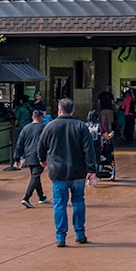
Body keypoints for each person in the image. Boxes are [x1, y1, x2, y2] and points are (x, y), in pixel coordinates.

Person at [38, 98, 97, 247]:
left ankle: (60, 237)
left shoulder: (50, 127)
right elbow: (89, 150)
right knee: (78, 201)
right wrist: (91, 170)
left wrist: (43, 159)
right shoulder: (81, 127)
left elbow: (41, 146)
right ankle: (80, 233)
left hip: (58, 172)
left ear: (59, 110)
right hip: (78, 171)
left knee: (59, 204)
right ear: (73, 110)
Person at [13, 108, 49, 208]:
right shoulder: (44, 128)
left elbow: (19, 144)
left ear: (32, 117)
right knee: (35, 177)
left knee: (35, 176)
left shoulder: (25, 128)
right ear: (41, 117)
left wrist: (17, 158)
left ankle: (41, 197)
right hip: (39, 156)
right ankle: (26, 198)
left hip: (29, 155)